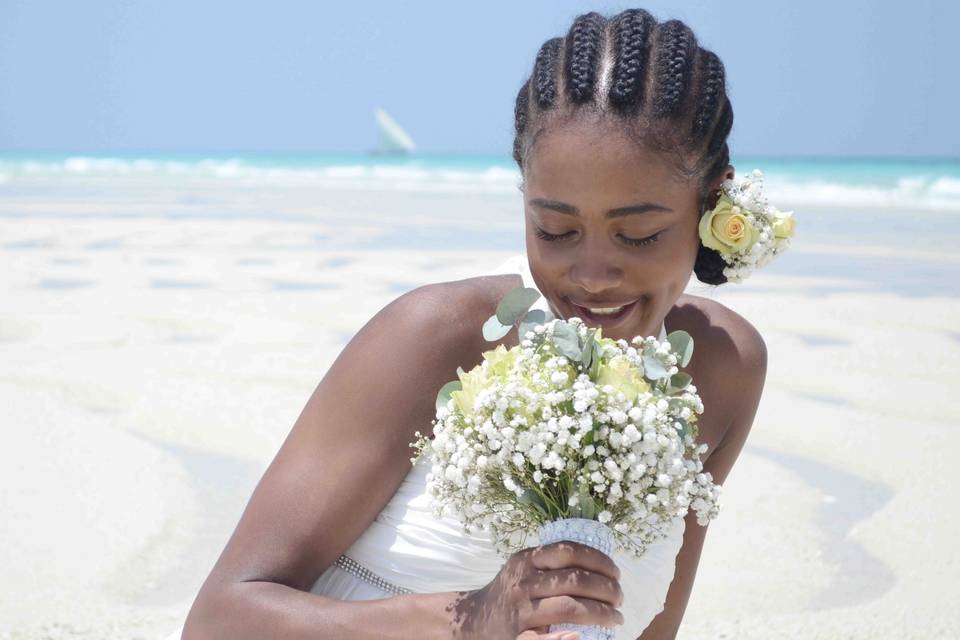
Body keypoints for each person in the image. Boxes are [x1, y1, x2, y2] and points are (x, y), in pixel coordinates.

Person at [174, 8, 770, 639]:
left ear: (712, 203)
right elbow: (219, 620)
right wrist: (470, 621)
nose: (593, 274)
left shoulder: (723, 370)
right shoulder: (435, 338)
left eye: (638, 235)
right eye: (555, 229)